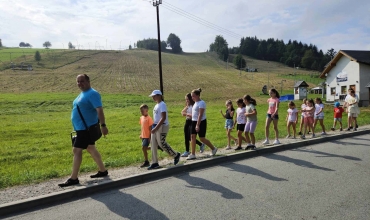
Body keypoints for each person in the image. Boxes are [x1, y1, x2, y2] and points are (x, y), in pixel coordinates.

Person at [58, 74, 108, 187]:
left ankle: (74, 178)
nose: (80, 83)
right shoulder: (82, 94)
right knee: (91, 148)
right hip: (81, 128)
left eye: (82, 81)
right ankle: (103, 171)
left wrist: (103, 125)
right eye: (78, 82)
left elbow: (99, 110)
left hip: (86, 129)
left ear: (88, 81)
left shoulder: (93, 93)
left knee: (76, 150)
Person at [148, 90, 180, 170]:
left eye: (154, 96)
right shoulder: (157, 105)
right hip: (155, 126)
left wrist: (156, 128)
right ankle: (154, 162)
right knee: (153, 144)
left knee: (161, 143)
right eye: (152, 96)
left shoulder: (162, 105)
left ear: (159, 96)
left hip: (161, 126)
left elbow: (163, 118)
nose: (153, 97)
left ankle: (175, 155)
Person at [186, 88, 218, 160]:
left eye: (193, 96)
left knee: (202, 138)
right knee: (192, 137)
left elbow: (200, 114)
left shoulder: (202, 103)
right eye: (191, 96)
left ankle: (213, 148)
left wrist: (197, 125)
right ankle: (193, 154)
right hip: (193, 121)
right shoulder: (195, 103)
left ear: (197, 95)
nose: (192, 97)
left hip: (201, 122)